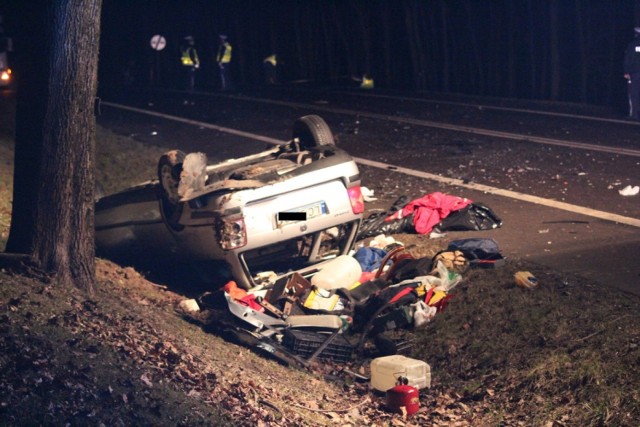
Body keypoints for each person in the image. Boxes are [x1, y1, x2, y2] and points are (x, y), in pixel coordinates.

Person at [623, 27, 640, 121]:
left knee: (633, 93)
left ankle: (634, 114)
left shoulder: (632, 45)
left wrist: (626, 71)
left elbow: (628, 58)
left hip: (634, 72)